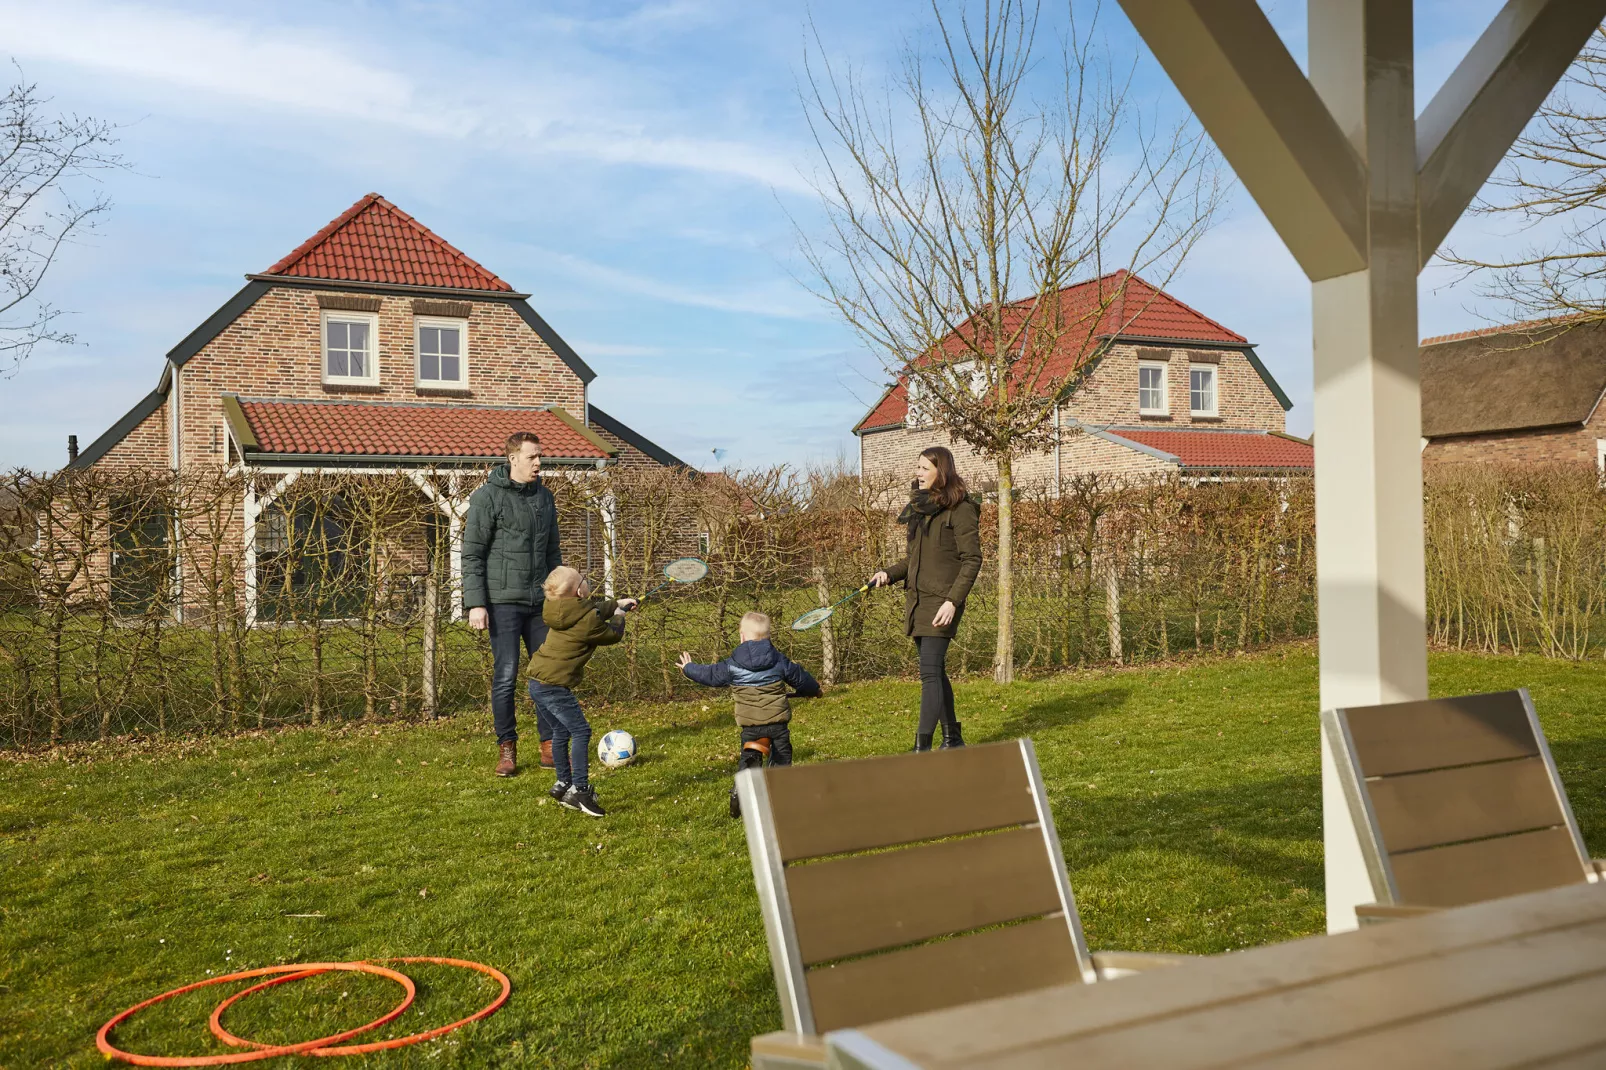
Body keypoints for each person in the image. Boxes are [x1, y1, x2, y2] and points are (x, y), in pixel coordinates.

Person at [462, 431, 563, 778]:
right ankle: (507, 747)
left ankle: (548, 744)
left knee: (546, 677)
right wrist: (476, 603)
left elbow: (553, 553)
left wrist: (562, 591)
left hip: (539, 604)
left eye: (540, 456)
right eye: (532, 457)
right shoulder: (487, 498)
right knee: (505, 677)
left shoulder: (545, 499)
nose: (539, 463)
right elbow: (472, 554)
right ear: (513, 458)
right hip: (502, 603)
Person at [870, 446, 983, 752]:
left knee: (930, 673)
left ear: (940, 472)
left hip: (943, 602)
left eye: (924, 468)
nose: (918, 473)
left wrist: (953, 601)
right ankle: (953, 738)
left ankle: (922, 748)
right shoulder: (919, 511)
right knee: (935, 671)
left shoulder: (961, 510)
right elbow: (914, 561)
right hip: (918, 602)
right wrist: (888, 573)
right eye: (917, 468)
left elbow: (972, 560)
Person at [676, 612, 822, 818]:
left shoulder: (732, 664)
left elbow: (709, 675)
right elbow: (801, 679)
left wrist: (688, 668)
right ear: (768, 636)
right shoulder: (778, 660)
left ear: (742, 636)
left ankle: (741, 790)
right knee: (782, 756)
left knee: (748, 757)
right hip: (777, 724)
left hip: (751, 725)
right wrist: (815, 690)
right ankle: (778, 794)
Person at [526, 566, 636, 818]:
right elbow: (611, 634)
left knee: (560, 731)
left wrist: (617, 603)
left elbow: (593, 609)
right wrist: (620, 614)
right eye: (583, 580)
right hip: (554, 685)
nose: (587, 582)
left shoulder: (558, 610)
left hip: (537, 680)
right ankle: (581, 791)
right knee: (581, 731)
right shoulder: (586, 621)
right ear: (578, 590)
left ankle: (563, 784)